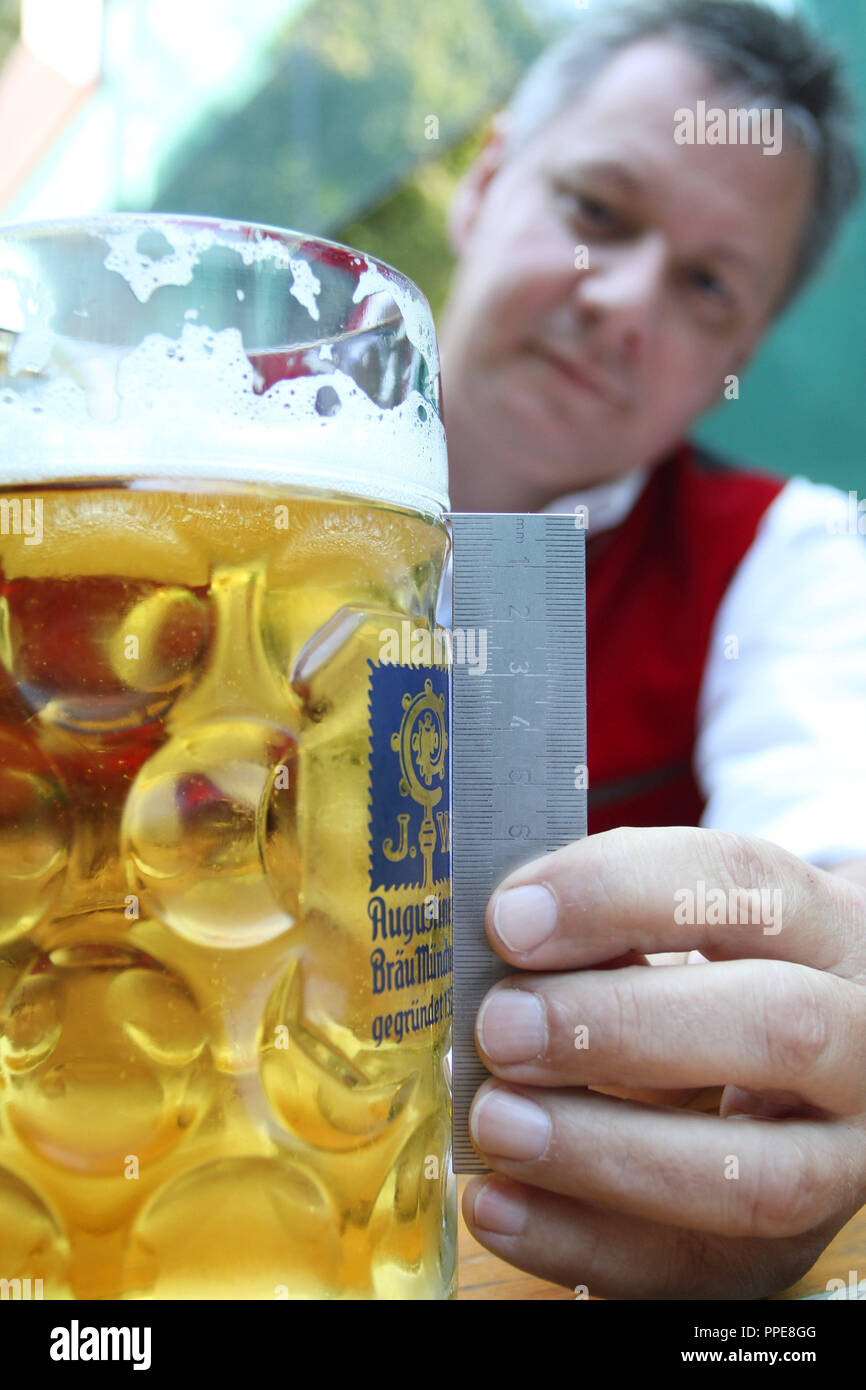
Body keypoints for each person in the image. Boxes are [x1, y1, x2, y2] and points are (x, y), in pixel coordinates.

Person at [435, 0, 866, 1299]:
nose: (621, 303)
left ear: (737, 354)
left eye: (704, 286)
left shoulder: (783, 557)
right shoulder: (195, 466)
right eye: (598, 212)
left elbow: (837, 884)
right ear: (486, 177)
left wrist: (827, 1026)